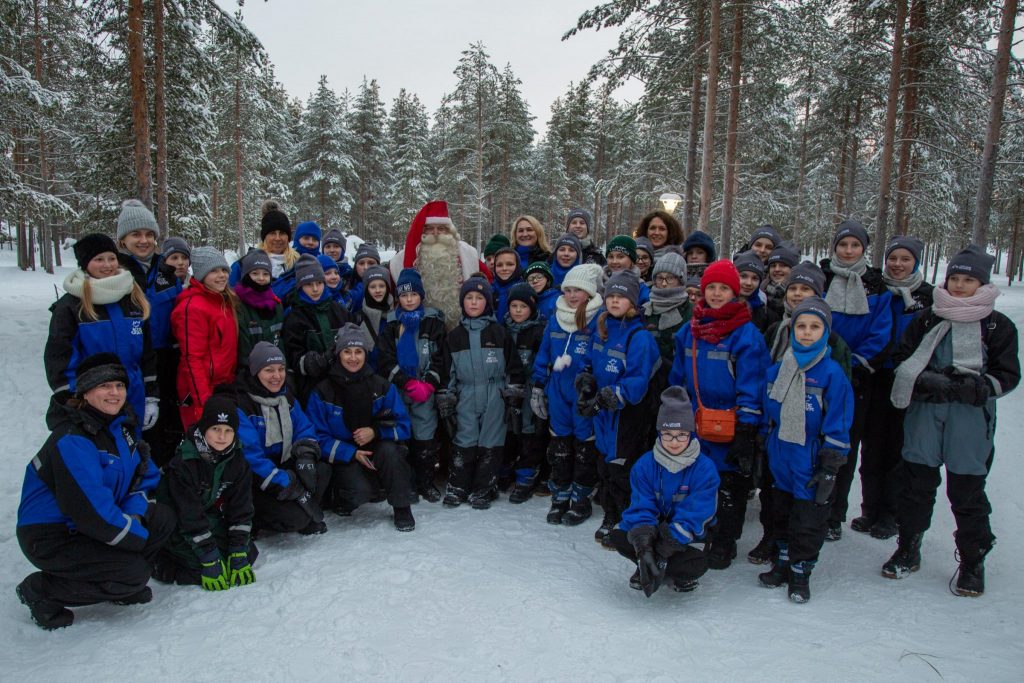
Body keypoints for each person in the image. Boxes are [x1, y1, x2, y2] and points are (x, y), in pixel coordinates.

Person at [883, 246, 1019, 597]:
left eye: (968, 280)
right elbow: (902, 357)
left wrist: (979, 387)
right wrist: (924, 380)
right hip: (925, 415)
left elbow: (1008, 374)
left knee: (967, 491)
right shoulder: (928, 318)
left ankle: (973, 559)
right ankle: (909, 546)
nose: (959, 286)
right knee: (916, 486)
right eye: (954, 278)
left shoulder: (996, 325)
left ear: (982, 283)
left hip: (970, 421)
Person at [16, 354, 173, 630]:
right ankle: (42, 590)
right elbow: (90, 512)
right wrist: (135, 536)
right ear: (85, 392)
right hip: (52, 535)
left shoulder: (120, 429)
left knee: (161, 518)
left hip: (90, 524)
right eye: (105, 386)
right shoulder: (72, 438)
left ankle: (120, 584)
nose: (114, 393)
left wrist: (136, 517)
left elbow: (142, 480)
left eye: (120, 386)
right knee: (135, 571)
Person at [668, 260, 769, 569]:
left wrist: (747, 429)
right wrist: (676, 411)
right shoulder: (690, 330)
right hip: (696, 421)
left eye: (723, 288)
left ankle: (725, 539)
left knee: (729, 485)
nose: (715, 293)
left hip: (731, 423)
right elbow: (677, 377)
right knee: (697, 480)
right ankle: (699, 529)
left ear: (734, 293)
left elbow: (753, 384)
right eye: (710, 287)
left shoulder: (746, 335)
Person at [754, 261, 852, 564]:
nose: (797, 293)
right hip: (780, 442)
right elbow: (766, 396)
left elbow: (840, 406)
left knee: (807, 509)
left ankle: (800, 564)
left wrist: (831, 459)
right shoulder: (776, 341)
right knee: (777, 502)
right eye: (793, 288)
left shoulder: (834, 356)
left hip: (811, 445)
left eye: (805, 289)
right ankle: (777, 547)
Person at [855, 236, 934, 539]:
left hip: (908, 379)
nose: (898, 264)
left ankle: (890, 513)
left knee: (898, 447)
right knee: (871, 446)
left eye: (905, 259)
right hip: (875, 376)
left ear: (916, 262)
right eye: (893, 258)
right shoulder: (875, 288)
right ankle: (869, 509)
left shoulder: (927, 297)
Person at [820, 219, 893, 541]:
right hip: (818, 370)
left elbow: (881, 332)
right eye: (843, 244)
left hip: (857, 379)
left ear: (864, 249)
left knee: (843, 447)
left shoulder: (876, 287)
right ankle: (816, 506)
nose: (848, 250)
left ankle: (835, 513)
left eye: (855, 245)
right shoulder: (821, 278)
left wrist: (855, 366)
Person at [306, 324, 416, 531]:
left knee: (392, 453)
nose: (353, 358)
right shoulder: (322, 391)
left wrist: (376, 431)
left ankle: (402, 507)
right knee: (361, 491)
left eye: (358, 352)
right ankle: (342, 496)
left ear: (365, 354)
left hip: (377, 447)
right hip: (345, 455)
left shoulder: (382, 386)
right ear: (338, 354)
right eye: (347, 352)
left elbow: (403, 425)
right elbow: (316, 436)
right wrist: (350, 453)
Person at [610, 386, 719, 596]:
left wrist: (662, 548)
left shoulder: (705, 468)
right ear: (659, 434)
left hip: (685, 533)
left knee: (694, 563)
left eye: (681, 435)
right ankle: (645, 564)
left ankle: (673, 572)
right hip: (655, 527)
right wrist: (644, 547)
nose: (674, 442)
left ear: (690, 433)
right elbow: (641, 505)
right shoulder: (644, 465)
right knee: (620, 535)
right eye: (668, 435)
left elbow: (698, 513)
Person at [44, 233, 156, 430]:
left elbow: (147, 352)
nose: (107, 265)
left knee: (132, 448)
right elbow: (60, 355)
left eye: (112, 258)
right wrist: (70, 396)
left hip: (133, 389)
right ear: (85, 263)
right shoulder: (71, 305)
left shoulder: (132, 298)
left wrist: (151, 395)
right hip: (92, 394)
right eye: (99, 259)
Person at [153, 390, 259, 590]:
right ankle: (160, 564)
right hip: (176, 522)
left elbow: (241, 508)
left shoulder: (237, 461)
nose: (222, 436)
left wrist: (237, 551)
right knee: (200, 567)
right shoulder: (184, 463)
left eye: (228, 431)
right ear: (204, 429)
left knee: (247, 553)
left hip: (204, 515)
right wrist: (209, 556)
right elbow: (188, 515)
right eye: (215, 429)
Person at [583, 271, 660, 532]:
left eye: (621, 297)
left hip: (626, 414)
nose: (615, 301)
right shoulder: (602, 328)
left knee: (621, 468)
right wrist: (586, 381)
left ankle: (626, 518)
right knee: (603, 463)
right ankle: (610, 513)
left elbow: (637, 382)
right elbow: (592, 363)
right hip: (604, 412)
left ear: (633, 302)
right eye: (611, 296)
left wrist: (611, 395)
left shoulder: (639, 338)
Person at [440, 278, 525, 509]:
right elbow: (447, 371)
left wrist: (513, 394)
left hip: (494, 394)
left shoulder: (500, 333)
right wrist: (446, 396)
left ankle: (483, 488)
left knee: (491, 442)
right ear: (462, 302)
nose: (474, 302)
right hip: (466, 394)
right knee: (464, 439)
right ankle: (458, 486)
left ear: (487, 303)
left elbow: (514, 368)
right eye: (469, 298)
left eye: (479, 298)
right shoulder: (454, 336)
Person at [531, 264, 604, 526]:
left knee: (584, 445)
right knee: (559, 445)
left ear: (589, 292)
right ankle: (560, 494)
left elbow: (599, 355)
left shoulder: (598, 318)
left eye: (579, 291)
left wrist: (588, 377)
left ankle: (581, 498)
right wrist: (539, 384)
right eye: (568, 290)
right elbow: (544, 353)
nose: (573, 295)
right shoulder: (555, 316)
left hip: (583, 392)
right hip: (558, 390)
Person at [115, 201, 186, 465]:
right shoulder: (116, 272)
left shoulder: (167, 272)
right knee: (135, 420)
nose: (143, 241)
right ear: (123, 239)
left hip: (168, 357)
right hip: (133, 360)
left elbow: (180, 311)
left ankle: (164, 469)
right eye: (136, 235)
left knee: (167, 417)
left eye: (149, 235)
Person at [236, 343, 331, 535]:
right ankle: (257, 519)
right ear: (255, 372)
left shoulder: (285, 396)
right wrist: (286, 482)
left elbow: (304, 428)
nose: (277, 376)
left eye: (280, 370)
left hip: (284, 464)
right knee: (295, 519)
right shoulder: (243, 404)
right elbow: (250, 458)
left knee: (321, 469)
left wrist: (305, 455)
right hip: (258, 479)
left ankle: (303, 509)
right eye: (269, 370)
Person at [378, 269, 449, 502]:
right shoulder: (390, 323)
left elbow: (441, 357)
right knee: (401, 438)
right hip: (399, 391)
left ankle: (425, 481)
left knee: (425, 437)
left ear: (421, 296)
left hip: (425, 392)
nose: (409, 300)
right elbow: (386, 359)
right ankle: (405, 483)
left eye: (414, 295)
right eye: (404, 295)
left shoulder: (433, 321)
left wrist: (428, 383)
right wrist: (406, 382)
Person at [390, 200, 491, 329]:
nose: (436, 233)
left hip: (461, 330)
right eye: (430, 229)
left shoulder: (467, 254)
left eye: (441, 228)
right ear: (422, 232)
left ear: (449, 231)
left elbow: (488, 282)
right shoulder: (401, 261)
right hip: (423, 332)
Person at [172, 247, 238, 429]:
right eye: (214, 271)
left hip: (224, 386)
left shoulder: (223, 301)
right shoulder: (192, 307)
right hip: (201, 391)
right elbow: (192, 359)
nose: (222, 275)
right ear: (201, 274)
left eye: (224, 270)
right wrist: (203, 403)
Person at [280, 254, 350, 401]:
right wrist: (316, 361)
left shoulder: (339, 310)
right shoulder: (294, 318)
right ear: (300, 286)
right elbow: (294, 356)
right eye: (309, 284)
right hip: (312, 388)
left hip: (343, 382)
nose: (315, 289)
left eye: (319, 283)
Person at [502, 283, 547, 502]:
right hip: (508, 387)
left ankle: (526, 475)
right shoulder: (503, 329)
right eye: (513, 305)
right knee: (509, 430)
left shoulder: (539, 330)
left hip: (530, 388)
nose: (518, 310)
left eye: (523, 306)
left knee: (530, 432)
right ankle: (506, 470)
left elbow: (543, 361)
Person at [228, 200, 300, 298]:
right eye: (272, 233)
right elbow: (230, 297)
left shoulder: (298, 264)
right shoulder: (244, 265)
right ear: (264, 237)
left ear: (288, 237)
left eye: (282, 233)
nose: (278, 238)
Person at [234, 249, 286, 375]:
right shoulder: (239, 305)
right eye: (255, 273)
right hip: (249, 372)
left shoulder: (276, 305)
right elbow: (242, 349)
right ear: (246, 276)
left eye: (265, 274)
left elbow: (281, 341)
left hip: (276, 371)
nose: (261, 278)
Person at [350, 265, 395, 370]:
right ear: (366, 289)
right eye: (372, 287)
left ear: (387, 288)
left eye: (382, 286)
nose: (378, 290)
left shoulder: (396, 317)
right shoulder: (357, 318)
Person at [734, 250, 778, 332]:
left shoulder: (767, 316)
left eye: (755, 278)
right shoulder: (718, 306)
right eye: (743, 276)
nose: (748, 283)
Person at [604, 235, 651, 307]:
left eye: (620, 257)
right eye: (610, 257)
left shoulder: (640, 288)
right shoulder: (598, 281)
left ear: (632, 261)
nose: (614, 261)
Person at [764, 241, 800, 320]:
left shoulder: (800, 295)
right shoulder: (761, 293)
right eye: (773, 266)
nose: (777, 269)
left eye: (783, 266)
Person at [345, 243, 383, 315]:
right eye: (361, 263)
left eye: (371, 263)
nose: (366, 267)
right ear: (355, 266)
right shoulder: (346, 285)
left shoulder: (387, 286)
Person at [491, 247, 525, 322]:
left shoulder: (525, 291)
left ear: (518, 266)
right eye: (499, 265)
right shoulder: (489, 290)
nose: (504, 268)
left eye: (510, 264)